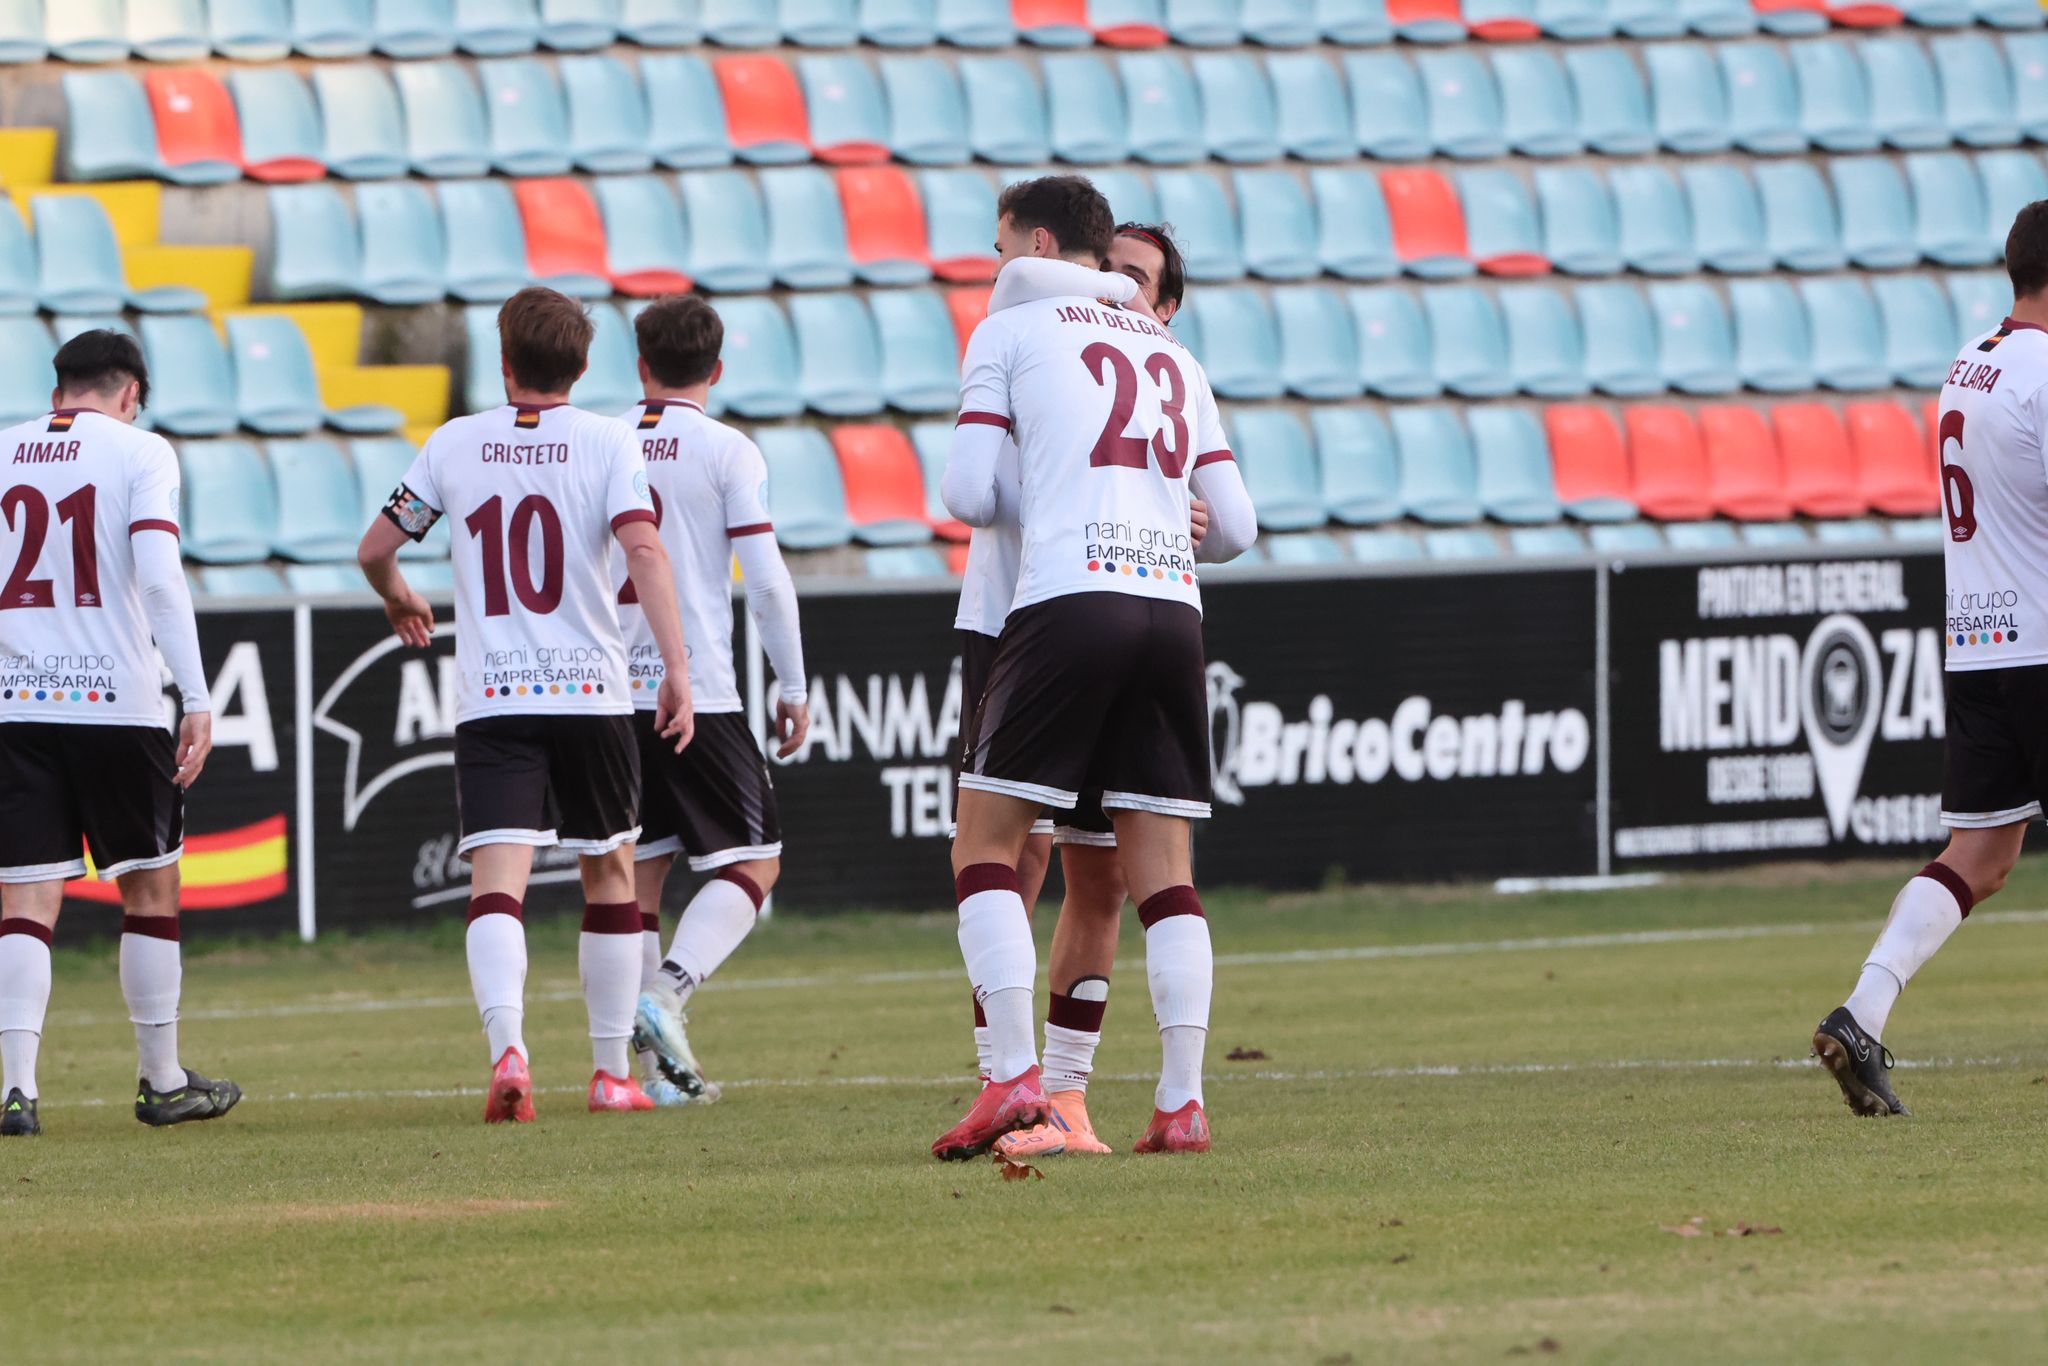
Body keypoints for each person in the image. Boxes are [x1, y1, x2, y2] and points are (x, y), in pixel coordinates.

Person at [933, 176, 1257, 1160]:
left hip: (1059, 600)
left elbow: (966, 494)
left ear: (1033, 243)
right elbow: (1235, 528)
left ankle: (1016, 1081)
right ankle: (1180, 1100)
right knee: (1157, 875)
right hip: (1171, 608)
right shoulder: (1174, 354)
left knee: (988, 850)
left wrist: (1065, 496)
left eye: (1000, 245)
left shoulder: (1010, 330)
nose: (995, 262)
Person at [356, 286, 694, 1122]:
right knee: (609, 874)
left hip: (495, 697)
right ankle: (610, 1073)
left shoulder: (454, 443)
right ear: (582, 365)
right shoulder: (608, 440)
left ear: (503, 361)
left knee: (496, 884)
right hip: (590, 693)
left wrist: (398, 595)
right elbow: (643, 548)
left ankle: (509, 1048)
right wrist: (677, 668)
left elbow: (376, 547)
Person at [1812, 200, 2048, 1117]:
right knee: (1980, 852)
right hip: (2041, 644)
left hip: (1981, 645)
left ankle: (1862, 1012)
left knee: (1979, 855)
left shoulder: (1969, 364)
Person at [0, 329, 235, 1137]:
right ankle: (162, 1081)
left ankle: (17, 1092)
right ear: (130, 392)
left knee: (25, 899)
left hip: (19, 705)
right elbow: (160, 577)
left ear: (57, 390)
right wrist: (196, 694)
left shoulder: (4, 450)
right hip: (115, 702)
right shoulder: (142, 452)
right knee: (150, 887)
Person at [617, 295, 810, 1107]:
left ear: (641, 366)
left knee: (638, 876)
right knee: (755, 861)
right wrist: (792, 685)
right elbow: (763, 581)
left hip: (606, 690)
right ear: (718, 369)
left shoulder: (601, 439)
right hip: (695, 685)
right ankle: (666, 994)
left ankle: (646, 1077)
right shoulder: (728, 450)